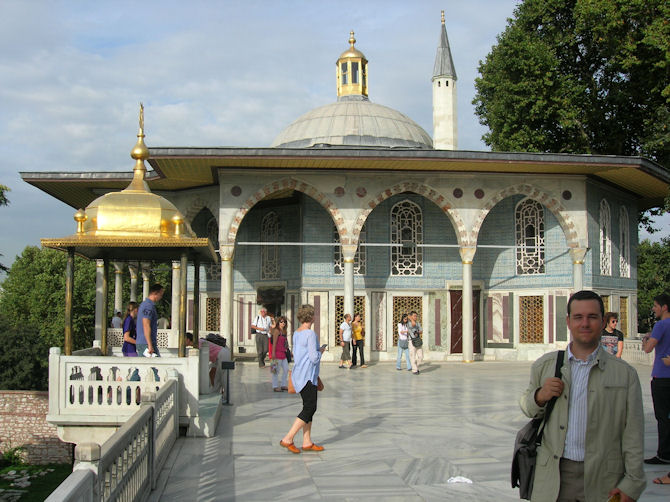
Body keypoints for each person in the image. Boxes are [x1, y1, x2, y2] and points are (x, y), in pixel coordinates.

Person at [520, 290, 645, 502]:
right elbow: (527, 408)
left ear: (603, 321)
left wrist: (632, 484)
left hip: (604, 478)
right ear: (568, 322)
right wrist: (540, 395)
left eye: (592, 317)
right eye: (578, 317)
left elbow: (633, 434)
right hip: (555, 476)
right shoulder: (545, 366)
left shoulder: (625, 374)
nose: (584, 323)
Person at [279, 304, 325, 454]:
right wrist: (321, 352)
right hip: (308, 376)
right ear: (311, 317)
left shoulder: (297, 333)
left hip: (299, 374)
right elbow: (313, 357)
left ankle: (307, 441)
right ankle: (288, 438)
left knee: (308, 407)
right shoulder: (310, 334)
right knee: (310, 407)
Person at [643, 293, 670, 466]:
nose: (653, 309)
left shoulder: (661, 325)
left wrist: (647, 338)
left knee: (662, 417)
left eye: (655, 305)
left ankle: (664, 454)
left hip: (662, 377)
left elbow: (648, 348)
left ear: (664, 307)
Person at [136, 283, 164, 357]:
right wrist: (149, 344)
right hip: (146, 343)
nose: (161, 297)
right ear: (155, 293)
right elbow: (146, 325)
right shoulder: (148, 306)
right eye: (160, 295)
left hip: (144, 342)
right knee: (152, 366)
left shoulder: (145, 305)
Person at [271, 316, 290, 392]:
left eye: (284, 322)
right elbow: (274, 343)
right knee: (275, 370)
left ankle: (283, 385)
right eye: (281, 322)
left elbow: (286, 342)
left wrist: (288, 350)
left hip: (283, 353)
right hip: (276, 353)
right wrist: (273, 354)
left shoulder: (284, 331)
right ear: (278, 322)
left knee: (286, 369)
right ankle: (275, 386)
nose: (283, 323)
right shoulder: (276, 331)